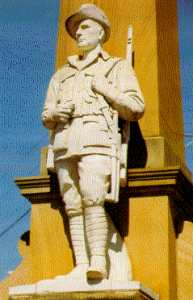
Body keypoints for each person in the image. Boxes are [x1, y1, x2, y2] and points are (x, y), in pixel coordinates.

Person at [42, 3, 144, 281]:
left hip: (97, 140)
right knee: (72, 203)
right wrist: (55, 113)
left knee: (92, 197)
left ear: (100, 32)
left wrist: (107, 89)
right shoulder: (61, 74)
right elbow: (46, 113)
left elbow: (135, 108)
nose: (78, 33)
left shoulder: (115, 67)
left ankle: (98, 261)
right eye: (76, 29)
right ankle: (81, 263)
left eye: (84, 27)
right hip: (65, 144)